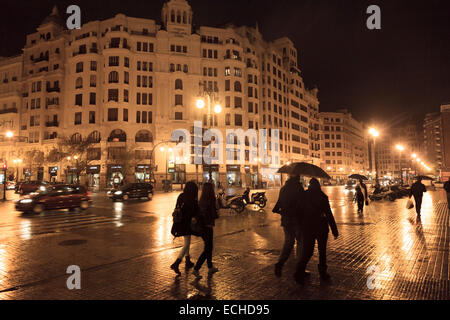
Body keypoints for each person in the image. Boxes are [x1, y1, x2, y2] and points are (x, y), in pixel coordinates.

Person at [295, 178, 339, 284]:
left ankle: (299, 271)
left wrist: (299, 226)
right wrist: (334, 230)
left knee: (308, 251)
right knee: (322, 251)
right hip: (321, 227)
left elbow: (298, 212)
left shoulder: (304, 195)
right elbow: (329, 214)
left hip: (308, 227)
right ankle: (323, 273)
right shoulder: (323, 197)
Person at [272, 174, 306, 277]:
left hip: (286, 221)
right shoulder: (299, 188)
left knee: (288, 243)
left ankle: (280, 263)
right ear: (298, 179)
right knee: (301, 244)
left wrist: (284, 212)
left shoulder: (283, 189)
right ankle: (300, 269)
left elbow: (276, 208)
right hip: (297, 220)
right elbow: (302, 204)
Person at [170, 181, 199, 275]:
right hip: (187, 223)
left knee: (187, 241)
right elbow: (195, 212)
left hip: (179, 222)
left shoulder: (181, 196)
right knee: (187, 243)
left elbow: (176, 207)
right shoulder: (192, 199)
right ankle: (177, 262)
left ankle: (187, 260)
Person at [193, 182, 219, 278]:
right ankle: (196, 269)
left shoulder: (202, 200)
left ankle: (210, 267)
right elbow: (214, 214)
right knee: (207, 249)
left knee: (209, 247)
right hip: (207, 227)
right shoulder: (210, 200)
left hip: (203, 227)